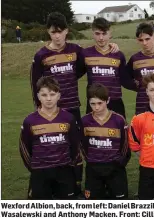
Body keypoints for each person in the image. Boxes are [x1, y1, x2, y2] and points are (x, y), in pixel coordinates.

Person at [31, 12, 87, 198]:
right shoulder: (41, 55)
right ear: (48, 32)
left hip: (72, 107)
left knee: (75, 147)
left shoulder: (76, 50)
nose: (57, 35)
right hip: (50, 111)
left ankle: (75, 186)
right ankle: (51, 185)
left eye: (60, 31)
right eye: (53, 32)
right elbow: (35, 84)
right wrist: (38, 109)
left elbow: (81, 69)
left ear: (66, 31)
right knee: (53, 147)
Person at [20, 76, 82, 200]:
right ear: (38, 96)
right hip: (40, 171)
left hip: (64, 170)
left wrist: (69, 164)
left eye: (52, 94)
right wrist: (34, 167)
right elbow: (25, 149)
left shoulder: (68, 118)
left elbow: (75, 146)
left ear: (59, 95)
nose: (48, 99)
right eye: (44, 95)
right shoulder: (29, 121)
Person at [81, 83, 130, 200]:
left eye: (100, 103)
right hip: (93, 168)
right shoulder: (85, 121)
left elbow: (125, 144)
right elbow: (82, 144)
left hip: (115, 168)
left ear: (107, 101)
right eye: (92, 104)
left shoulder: (119, 120)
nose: (96, 107)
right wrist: (90, 160)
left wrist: (119, 162)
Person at [83, 17, 129, 117]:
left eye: (104, 34)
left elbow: (125, 80)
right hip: (94, 103)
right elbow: (75, 74)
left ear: (110, 33)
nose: (101, 38)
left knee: (120, 132)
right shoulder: (85, 54)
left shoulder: (118, 55)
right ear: (93, 33)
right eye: (97, 34)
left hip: (115, 102)